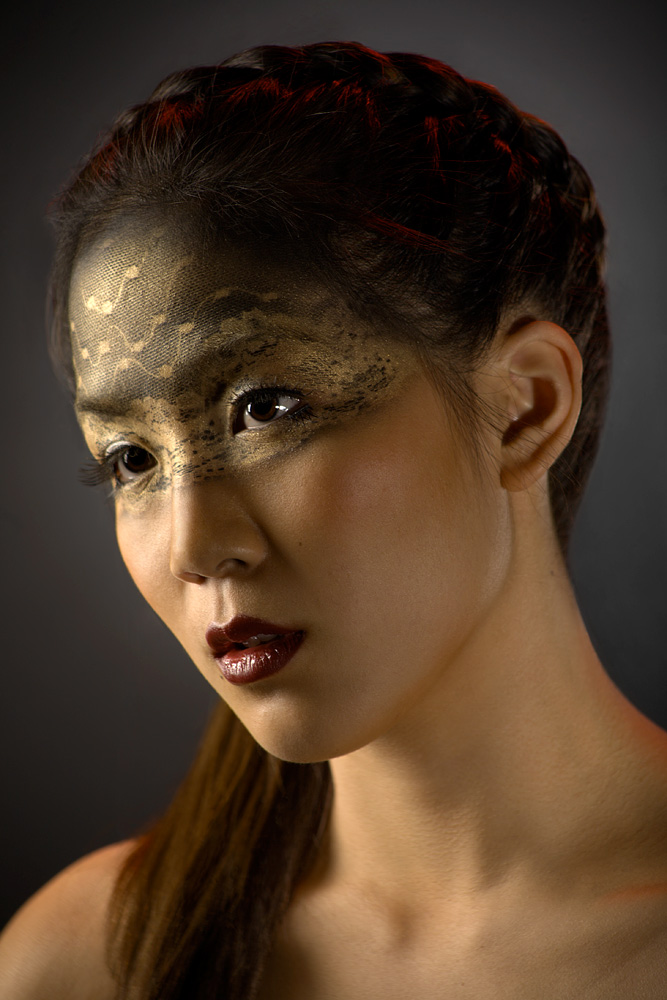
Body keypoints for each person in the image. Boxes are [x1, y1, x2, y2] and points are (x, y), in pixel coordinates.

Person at [1, 40, 666, 1000]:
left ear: (524, 406)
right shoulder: (84, 965)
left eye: (266, 408)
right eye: (131, 461)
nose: (193, 547)